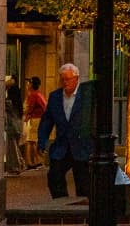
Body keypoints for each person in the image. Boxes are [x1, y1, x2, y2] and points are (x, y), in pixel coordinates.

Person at [37, 63, 92, 198]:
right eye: (62, 79)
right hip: (62, 147)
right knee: (54, 176)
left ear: (76, 79)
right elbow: (47, 121)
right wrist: (41, 141)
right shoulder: (55, 97)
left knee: (83, 183)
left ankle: (81, 209)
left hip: (81, 147)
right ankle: (61, 203)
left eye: (68, 79)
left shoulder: (86, 96)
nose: (65, 82)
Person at [22, 77, 45, 169]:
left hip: (35, 119)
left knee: (31, 141)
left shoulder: (33, 95)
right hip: (39, 119)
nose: (27, 85)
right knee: (34, 140)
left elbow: (29, 108)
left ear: (31, 85)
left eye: (29, 83)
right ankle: (37, 161)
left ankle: (33, 162)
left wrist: (26, 116)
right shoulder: (39, 94)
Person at [3, 76, 24, 176]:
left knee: (12, 148)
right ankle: (20, 164)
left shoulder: (9, 102)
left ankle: (15, 167)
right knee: (15, 147)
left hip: (12, 127)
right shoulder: (18, 103)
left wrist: (6, 86)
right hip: (17, 126)